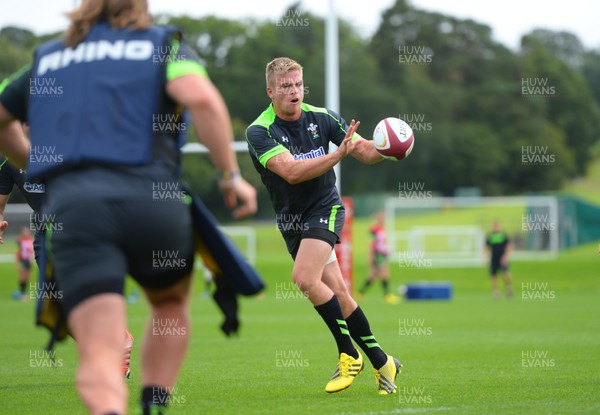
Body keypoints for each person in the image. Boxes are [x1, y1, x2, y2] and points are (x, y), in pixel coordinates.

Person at [0, 1, 257, 414]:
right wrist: (230, 176)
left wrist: (36, 162)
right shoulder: (162, 45)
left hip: (76, 210)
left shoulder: (51, 56)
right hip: (154, 202)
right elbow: (203, 100)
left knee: (100, 349)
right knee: (169, 305)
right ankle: (153, 404)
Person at [246, 57, 401, 395]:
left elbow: (361, 150)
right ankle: (382, 360)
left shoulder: (323, 117)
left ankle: (349, 355)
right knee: (341, 295)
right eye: (286, 86)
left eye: (298, 84)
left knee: (304, 278)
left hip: (325, 208)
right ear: (270, 90)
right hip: (291, 221)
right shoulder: (260, 131)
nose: (294, 91)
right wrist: (337, 155)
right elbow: (291, 171)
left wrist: (390, 149)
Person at [358, 211, 400, 304]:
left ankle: (360, 293)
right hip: (377, 254)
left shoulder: (383, 228)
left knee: (373, 275)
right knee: (385, 273)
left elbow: (383, 242)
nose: (383, 218)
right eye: (381, 217)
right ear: (377, 218)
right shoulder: (374, 229)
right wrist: (371, 256)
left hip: (382, 254)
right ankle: (387, 295)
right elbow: (370, 242)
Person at [485, 220, 513, 299]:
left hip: (502, 257)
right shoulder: (490, 236)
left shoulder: (503, 235)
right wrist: (485, 256)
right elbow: (486, 247)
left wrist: (506, 256)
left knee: (506, 274)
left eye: (496, 226)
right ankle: (496, 292)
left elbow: (509, 246)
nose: (495, 227)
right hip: (494, 258)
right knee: (494, 275)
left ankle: (508, 288)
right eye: (493, 226)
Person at [14, 226, 34, 301]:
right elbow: (19, 251)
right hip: (23, 260)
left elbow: (32, 250)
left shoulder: (31, 239)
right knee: (23, 276)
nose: (26, 232)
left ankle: (24, 293)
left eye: (27, 231)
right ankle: (22, 294)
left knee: (27, 277)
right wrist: (17, 261)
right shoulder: (20, 240)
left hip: (28, 260)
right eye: (25, 231)